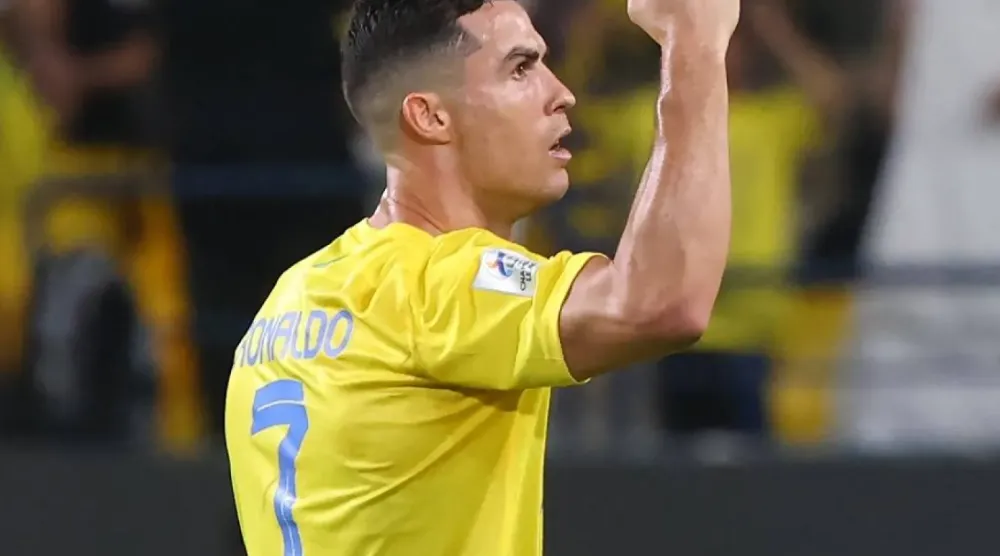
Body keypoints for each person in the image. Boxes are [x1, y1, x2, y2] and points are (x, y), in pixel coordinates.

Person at [225, 0, 736, 554]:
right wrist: (695, 43)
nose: (560, 91)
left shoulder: (291, 298)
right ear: (430, 116)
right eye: (520, 68)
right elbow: (658, 303)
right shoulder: (434, 284)